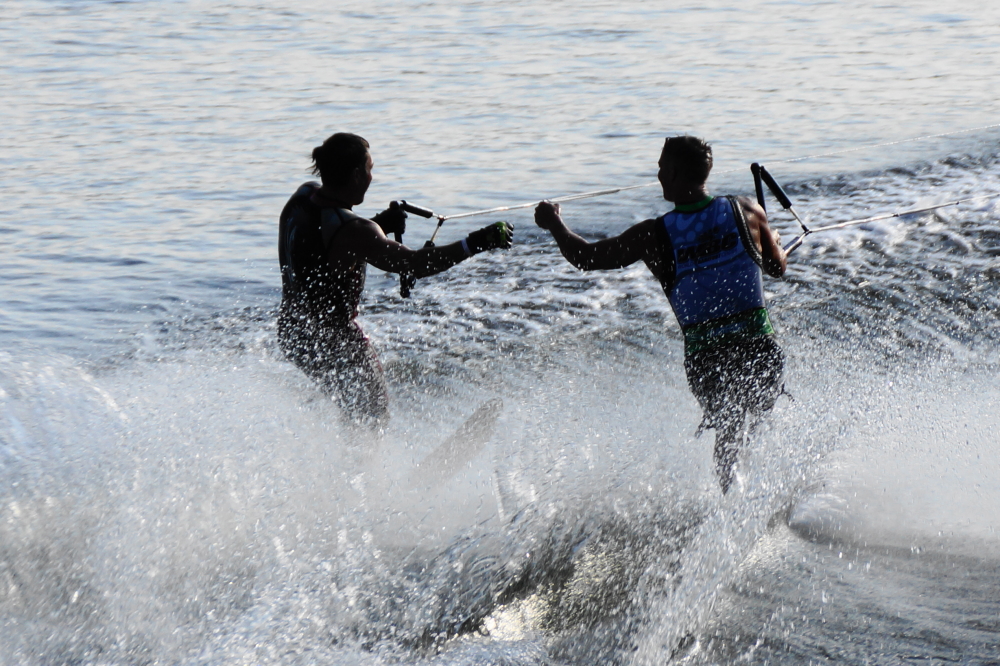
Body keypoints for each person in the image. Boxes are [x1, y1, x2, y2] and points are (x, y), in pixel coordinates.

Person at [534, 136, 786, 493]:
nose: (657, 174)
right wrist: (770, 236)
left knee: (730, 433)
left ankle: (735, 505)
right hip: (759, 349)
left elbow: (586, 257)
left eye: (661, 167)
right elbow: (777, 268)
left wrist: (554, 223)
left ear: (677, 172)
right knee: (758, 425)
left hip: (708, 359)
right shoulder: (746, 209)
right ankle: (765, 499)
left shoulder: (653, 235)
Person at [278, 132, 513, 428]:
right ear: (355, 175)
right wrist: (476, 242)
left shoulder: (302, 197)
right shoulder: (356, 230)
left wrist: (380, 223)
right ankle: (363, 470)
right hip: (332, 339)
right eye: (369, 169)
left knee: (353, 407)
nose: (372, 176)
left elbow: (322, 246)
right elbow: (414, 263)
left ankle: (346, 464)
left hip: (293, 332)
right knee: (373, 412)